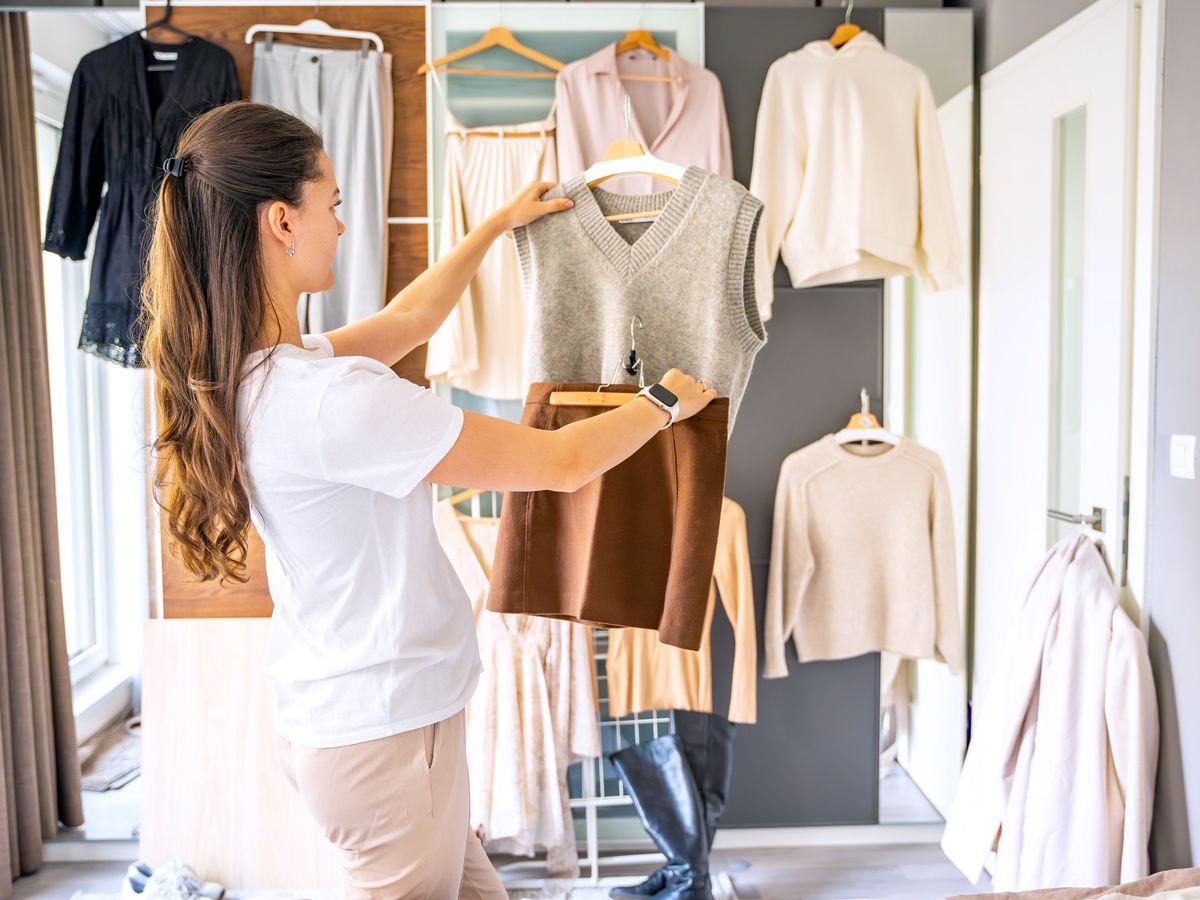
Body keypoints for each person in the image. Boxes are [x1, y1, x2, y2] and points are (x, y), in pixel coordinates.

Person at [138, 100, 715, 899]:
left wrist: (497, 227)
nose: (341, 225)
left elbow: (412, 318)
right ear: (281, 220)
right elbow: (559, 462)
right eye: (332, 204)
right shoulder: (331, 402)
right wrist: (661, 402)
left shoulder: (266, 371)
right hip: (386, 739)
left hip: (365, 723)